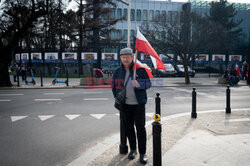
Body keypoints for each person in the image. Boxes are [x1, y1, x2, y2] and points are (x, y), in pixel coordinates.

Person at [112, 48, 151, 164]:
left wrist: (139, 84)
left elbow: (148, 84)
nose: (125, 59)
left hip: (138, 105)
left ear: (132, 57)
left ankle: (143, 153)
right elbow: (114, 87)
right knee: (129, 129)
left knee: (140, 128)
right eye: (123, 57)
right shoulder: (118, 71)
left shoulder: (140, 69)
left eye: (128, 56)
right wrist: (118, 98)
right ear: (120, 58)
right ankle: (133, 149)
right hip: (125, 106)